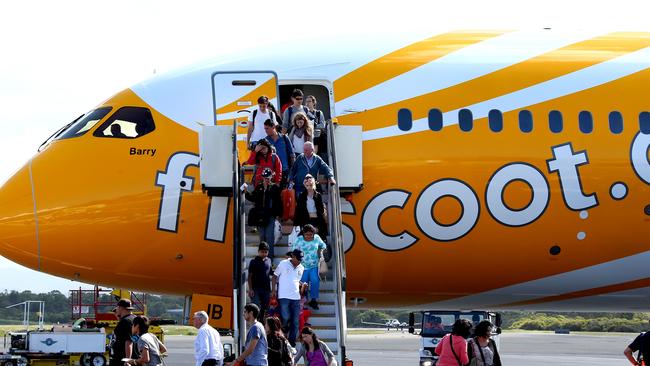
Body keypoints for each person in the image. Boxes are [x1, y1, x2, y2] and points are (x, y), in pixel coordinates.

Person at [246, 168, 282, 258]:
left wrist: (278, 215)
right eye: (265, 177)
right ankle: (262, 258)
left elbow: (278, 202)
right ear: (262, 177)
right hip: (260, 215)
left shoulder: (275, 187)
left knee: (269, 237)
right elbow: (252, 197)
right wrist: (246, 192)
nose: (267, 179)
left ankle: (270, 259)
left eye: (268, 177)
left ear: (271, 177)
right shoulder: (259, 187)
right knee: (262, 236)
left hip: (270, 215)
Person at [272, 249, 305, 346]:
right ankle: (284, 329)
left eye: (301, 259)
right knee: (286, 317)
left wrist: (302, 286)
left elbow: (296, 280)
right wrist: (273, 290)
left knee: (295, 322)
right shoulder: (283, 263)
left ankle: (292, 342)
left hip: (296, 297)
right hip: (283, 296)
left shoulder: (301, 267)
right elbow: (274, 276)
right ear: (293, 256)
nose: (299, 261)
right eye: (298, 259)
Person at [290, 224, 326, 310]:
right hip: (302, 266)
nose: (309, 236)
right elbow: (293, 251)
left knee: (315, 281)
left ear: (314, 233)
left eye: (311, 234)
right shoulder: (299, 240)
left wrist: (321, 250)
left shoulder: (317, 238)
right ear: (303, 234)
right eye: (307, 234)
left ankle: (313, 300)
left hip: (314, 265)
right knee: (303, 283)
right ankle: (303, 301)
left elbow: (323, 245)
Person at [264, 119, 294, 188]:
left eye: (267, 128)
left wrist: (292, 171)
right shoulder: (265, 141)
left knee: (283, 193)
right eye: (265, 129)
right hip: (272, 172)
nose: (265, 131)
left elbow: (292, 154)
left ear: (273, 127)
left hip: (284, 170)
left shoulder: (284, 138)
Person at [248, 242, 273, 320]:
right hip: (256, 288)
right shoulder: (253, 261)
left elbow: (271, 272)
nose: (264, 253)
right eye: (262, 252)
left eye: (266, 252)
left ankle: (262, 323)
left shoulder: (269, 260)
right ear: (258, 251)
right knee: (256, 306)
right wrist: (251, 289)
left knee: (265, 308)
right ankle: (255, 322)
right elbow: (249, 276)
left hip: (266, 288)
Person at [110, 299, 136, 366]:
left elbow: (128, 341)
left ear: (121, 308)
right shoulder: (134, 318)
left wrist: (127, 360)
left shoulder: (125, 322)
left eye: (117, 307)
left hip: (122, 358)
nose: (116, 309)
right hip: (135, 356)